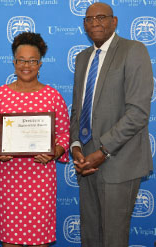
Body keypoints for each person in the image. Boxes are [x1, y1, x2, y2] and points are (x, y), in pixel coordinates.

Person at [69, 3, 154, 247]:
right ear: (84, 25)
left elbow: (138, 113)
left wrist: (103, 151)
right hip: (86, 163)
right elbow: (78, 109)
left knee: (113, 239)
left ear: (114, 21)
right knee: (90, 236)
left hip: (119, 162)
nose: (94, 22)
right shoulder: (82, 58)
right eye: (89, 19)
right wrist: (76, 145)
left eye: (101, 17)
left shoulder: (133, 50)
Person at [0, 32, 70, 247]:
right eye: (21, 60)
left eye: (32, 61)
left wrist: (55, 152)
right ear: (14, 62)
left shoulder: (52, 96)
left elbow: (64, 135)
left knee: (40, 239)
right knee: (10, 240)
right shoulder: (0, 95)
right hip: (9, 179)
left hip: (41, 179)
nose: (26, 65)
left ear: (40, 64)